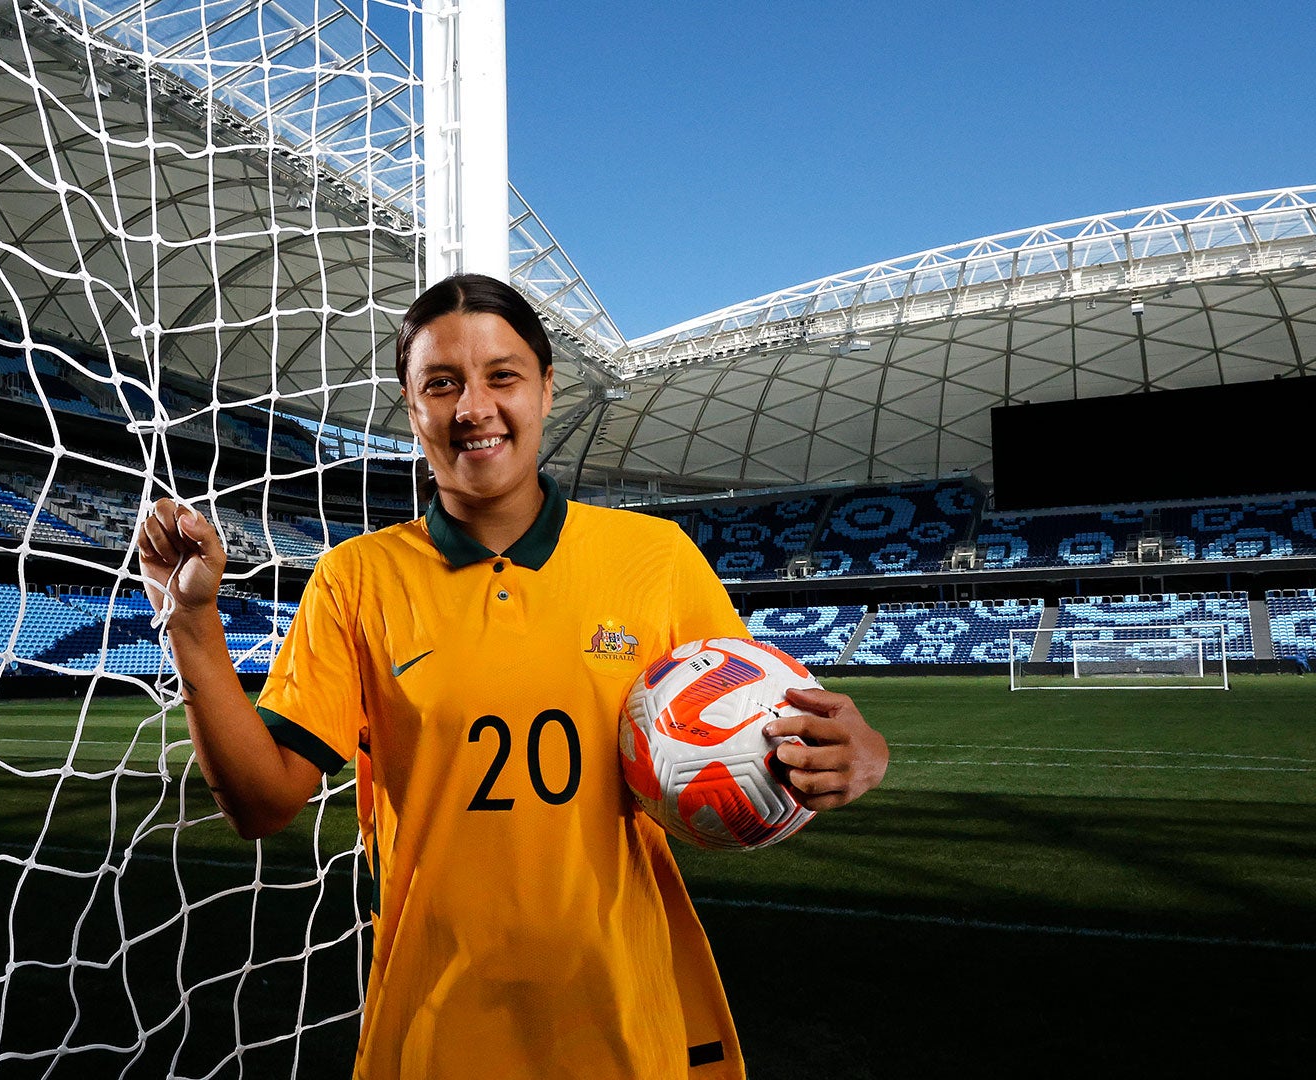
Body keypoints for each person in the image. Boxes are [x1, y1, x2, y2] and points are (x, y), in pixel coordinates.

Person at [138, 273, 889, 1079]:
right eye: (442, 384)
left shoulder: (656, 560)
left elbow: (772, 734)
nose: (475, 407)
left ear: (546, 389)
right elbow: (260, 805)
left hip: (624, 1032)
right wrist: (191, 623)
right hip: (431, 1036)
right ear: (411, 406)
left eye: (502, 376)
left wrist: (862, 753)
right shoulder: (356, 580)